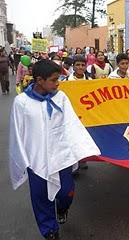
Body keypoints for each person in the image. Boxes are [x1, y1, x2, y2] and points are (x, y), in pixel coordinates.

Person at [9, 59, 101, 239]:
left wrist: (83, 148)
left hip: (61, 156)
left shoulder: (61, 97)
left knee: (67, 192)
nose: (57, 83)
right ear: (39, 80)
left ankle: (63, 208)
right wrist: (23, 159)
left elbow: (72, 124)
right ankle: (50, 231)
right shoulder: (21, 103)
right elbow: (17, 133)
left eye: (58, 78)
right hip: (36, 159)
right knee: (40, 198)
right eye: (53, 79)